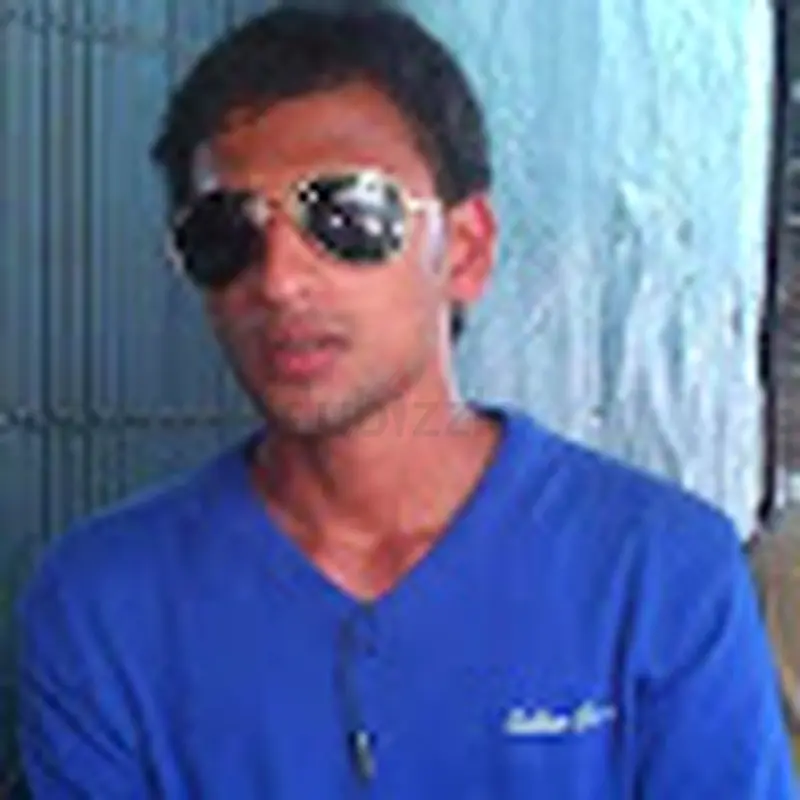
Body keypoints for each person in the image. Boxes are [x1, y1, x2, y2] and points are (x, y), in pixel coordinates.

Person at [14, 7, 798, 799]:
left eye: (347, 216)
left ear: (465, 250)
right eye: (225, 234)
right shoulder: (102, 606)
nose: (279, 280)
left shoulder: (657, 573)